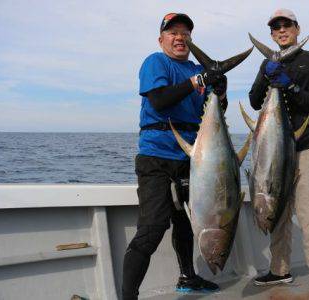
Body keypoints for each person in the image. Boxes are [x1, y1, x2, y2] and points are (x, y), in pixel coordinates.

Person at [121, 13, 227, 300]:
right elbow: (159, 100)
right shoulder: (156, 62)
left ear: (191, 40)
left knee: (187, 224)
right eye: (173, 32)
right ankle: (127, 296)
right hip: (156, 157)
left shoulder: (196, 68)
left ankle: (188, 278)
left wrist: (220, 91)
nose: (179, 37)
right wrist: (196, 81)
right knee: (153, 227)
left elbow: (213, 115)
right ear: (162, 39)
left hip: (193, 159)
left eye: (185, 33)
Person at [248, 8, 309, 300]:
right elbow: (253, 101)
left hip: (304, 148)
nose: (281, 30)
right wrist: (267, 76)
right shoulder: (266, 62)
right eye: (276, 27)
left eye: (287, 25)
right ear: (271, 34)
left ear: (298, 29)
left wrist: (291, 84)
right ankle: (279, 269)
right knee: (276, 211)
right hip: (271, 150)